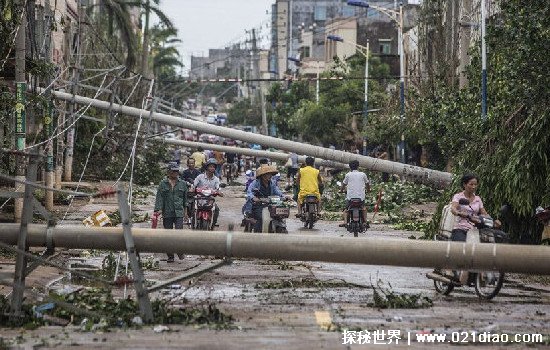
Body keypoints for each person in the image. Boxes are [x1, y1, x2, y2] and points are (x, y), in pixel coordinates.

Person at [450, 174, 503, 242]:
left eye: (475, 184)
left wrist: (493, 221)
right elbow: (453, 208)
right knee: (461, 246)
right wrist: (458, 213)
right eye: (471, 184)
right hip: (461, 228)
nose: (473, 187)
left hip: (476, 228)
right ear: (464, 184)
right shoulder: (458, 196)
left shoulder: (478, 199)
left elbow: (484, 213)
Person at [154, 163, 188, 263]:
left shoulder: (182, 184)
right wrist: (158, 210)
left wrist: (186, 213)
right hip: (167, 212)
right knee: (168, 234)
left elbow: (185, 200)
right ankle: (170, 256)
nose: (175, 173)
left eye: (177, 171)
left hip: (179, 212)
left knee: (178, 233)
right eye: (173, 171)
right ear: (168, 171)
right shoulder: (162, 183)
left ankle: (180, 250)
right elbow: (159, 198)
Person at [242, 165, 286, 232]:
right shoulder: (255, 183)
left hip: (269, 205)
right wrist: (254, 198)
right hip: (258, 205)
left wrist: (284, 197)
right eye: (268, 174)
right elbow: (249, 192)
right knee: (261, 218)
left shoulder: (272, 183)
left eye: (270, 174)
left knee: (278, 216)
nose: (270, 176)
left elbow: (277, 191)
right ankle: (258, 235)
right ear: (262, 175)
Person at [193, 158, 223, 229]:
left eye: (214, 167)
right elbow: (194, 185)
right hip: (199, 199)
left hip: (210, 200)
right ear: (207, 167)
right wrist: (192, 189)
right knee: (193, 208)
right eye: (210, 166)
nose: (212, 168)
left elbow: (218, 187)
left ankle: (212, 225)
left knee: (216, 210)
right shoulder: (200, 177)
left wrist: (219, 192)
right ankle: (193, 223)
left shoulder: (216, 179)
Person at [339, 160, 370, 227]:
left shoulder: (348, 175)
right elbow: (367, 184)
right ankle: (365, 221)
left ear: (350, 167)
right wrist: (368, 190)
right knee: (363, 208)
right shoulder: (363, 174)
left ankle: (345, 222)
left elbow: (343, 185)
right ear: (358, 166)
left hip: (350, 198)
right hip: (360, 198)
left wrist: (341, 190)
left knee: (346, 209)